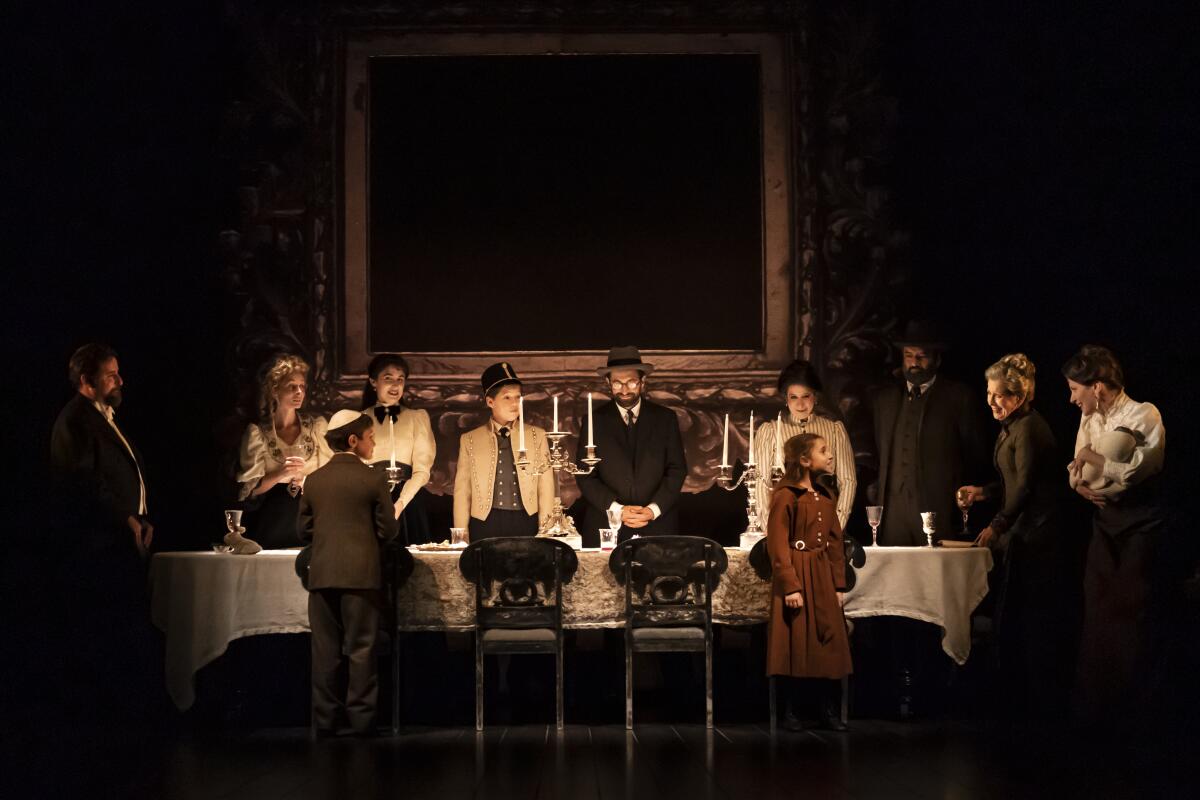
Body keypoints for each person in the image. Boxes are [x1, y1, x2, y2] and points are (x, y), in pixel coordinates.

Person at [956, 354, 1069, 718]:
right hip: (1023, 533)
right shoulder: (1012, 427)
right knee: (1013, 619)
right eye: (989, 394)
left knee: (1032, 622)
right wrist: (982, 493)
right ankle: (1015, 703)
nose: (991, 402)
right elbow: (1010, 483)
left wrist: (998, 525)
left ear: (1019, 397)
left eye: (999, 395)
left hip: (1037, 537)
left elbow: (1025, 489)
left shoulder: (1031, 429)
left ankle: (1037, 708)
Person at [1062, 345, 1166, 723]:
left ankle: (1131, 710)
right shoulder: (1090, 420)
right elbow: (1075, 464)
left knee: (1130, 612)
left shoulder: (1144, 414)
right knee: (1098, 609)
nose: (1072, 398)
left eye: (1076, 389)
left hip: (1140, 523)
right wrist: (1079, 485)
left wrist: (1096, 461)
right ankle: (1095, 708)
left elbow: (1140, 469)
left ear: (1099, 387)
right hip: (1106, 524)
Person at [299, 409, 398, 738]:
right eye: (370, 437)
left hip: (323, 575)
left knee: (325, 652)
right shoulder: (373, 478)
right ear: (353, 441)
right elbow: (389, 530)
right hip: (360, 576)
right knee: (360, 649)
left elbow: (304, 530)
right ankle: (361, 721)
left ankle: (325, 722)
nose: (374, 442)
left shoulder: (314, 480)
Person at [872, 320, 988, 545]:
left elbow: (974, 454)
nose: (914, 362)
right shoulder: (884, 400)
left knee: (936, 575)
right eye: (908, 355)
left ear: (937, 359)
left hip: (938, 507)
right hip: (893, 510)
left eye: (921, 356)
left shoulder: (958, 397)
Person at [766, 433, 852, 731]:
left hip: (821, 573)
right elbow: (777, 544)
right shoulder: (787, 495)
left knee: (827, 639)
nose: (830, 456)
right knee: (795, 639)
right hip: (797, 571)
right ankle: (791, 710)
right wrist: (790, 585)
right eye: (823, 451)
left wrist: (839, 584)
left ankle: (827, 709)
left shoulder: (826, 496)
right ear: (804, 460)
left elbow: (835, 542)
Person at [574, 346, 688, 546]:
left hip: (658, 526)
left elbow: (677, 470)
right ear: (608, 383)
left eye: (631, 382)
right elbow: (585, 476)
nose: (624, 389)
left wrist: (653, 510)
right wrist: (618, 510)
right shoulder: (593, 421)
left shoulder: (665, 419)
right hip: (607, 526)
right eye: (617, 383)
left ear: (643, 382)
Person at [51, 343, 153, 560]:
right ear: (87, 380)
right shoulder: (76, 420)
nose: (120, 381)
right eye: (111, 375)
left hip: (122, 538)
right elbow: (83, 481)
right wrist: (125, 517)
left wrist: (140, 517)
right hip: (99, 546)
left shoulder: (104, 417)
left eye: (118, 374)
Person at [236, 354, 333, 548]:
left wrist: (307, 482)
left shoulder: (316, 428)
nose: (299, 392)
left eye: (302, 386)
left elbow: (331, 476)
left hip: (311, 515)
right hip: (274, 518)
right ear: (274, 390)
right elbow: (250, 490)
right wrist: (282, 473)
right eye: (291, 386)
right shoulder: (258, 433)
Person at [453, 362, 555, 540]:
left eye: (518, 397)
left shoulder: (536, 435)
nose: (515, 403)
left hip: (526, 521)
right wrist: (461, 536)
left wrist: (546, 531)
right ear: (490, 401)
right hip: (485, 523)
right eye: (507, 397)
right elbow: (463, 492)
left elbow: (545, 488)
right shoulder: (470, 440)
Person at [755, 360, 857, 530]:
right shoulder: (770, 432)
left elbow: (848, 481)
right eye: (793, 397)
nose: (800, 404)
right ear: (786, 399)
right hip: (784, 522)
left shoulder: (834, 430)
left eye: (806, 396)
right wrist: (771, 528)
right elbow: (761, 483)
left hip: (825, 521)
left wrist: (836, 525)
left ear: (815, 397)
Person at [361, 353, 436, 544]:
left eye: (400, 380)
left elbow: (422, 470)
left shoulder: (416, 418)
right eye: (388, 379)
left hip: (408, 504)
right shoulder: (358, 419)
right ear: (373, 382)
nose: (395, 385)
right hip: (369, 501)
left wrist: (400, 503)